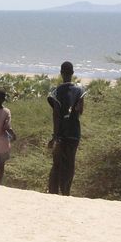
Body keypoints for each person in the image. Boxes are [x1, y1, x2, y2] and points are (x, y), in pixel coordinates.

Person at [47, 61, 86, 195]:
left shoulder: (56, 91)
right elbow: (80, 111)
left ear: (61, 73)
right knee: (70, 163)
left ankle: (53, 191)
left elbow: (56, 115)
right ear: (73, 73)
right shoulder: (79, 90)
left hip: (61, 133)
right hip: (74, 131)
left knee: (57, 163)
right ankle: (66, 191)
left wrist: (55, 136)